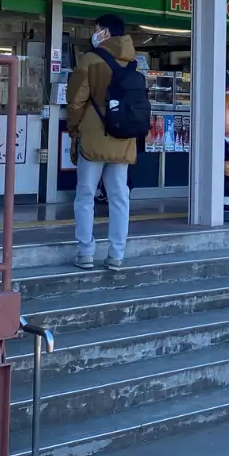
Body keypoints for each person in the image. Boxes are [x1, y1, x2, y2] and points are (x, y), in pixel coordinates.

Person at [66, 14, 137, 271]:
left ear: (105, 33)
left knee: (85, 195)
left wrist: (73, 129)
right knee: (120, 198)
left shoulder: (90, 59)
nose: (94, 34)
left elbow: (76, 101)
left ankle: (86, 252)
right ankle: (116, 255)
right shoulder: (132, 63)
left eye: (96, 30)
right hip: (122, 139)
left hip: (93, 139)